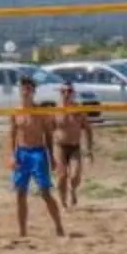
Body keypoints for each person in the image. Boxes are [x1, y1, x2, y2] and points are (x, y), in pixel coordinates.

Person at [7, 74, 67, 239]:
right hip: (22, 153)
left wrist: (52, 158)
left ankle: (59, 226)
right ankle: (22, 231)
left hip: (38, 152)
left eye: (28, 88)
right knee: (20, 193)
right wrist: (12, 156)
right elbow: (12, 135)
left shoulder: (40, 112)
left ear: (33, 91)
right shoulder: (16, 112)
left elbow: (47, 136)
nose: (25, 91)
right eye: (23, 88)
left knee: (45, 192)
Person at [51, 77, 92, 207]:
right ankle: (63, 202)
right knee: (61, 176)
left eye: (69, 91)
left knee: (75, 175)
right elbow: (48, 130)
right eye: (63, 91)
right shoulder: (55, 110)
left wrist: (89, 149)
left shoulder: (78, 110)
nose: (66, 94)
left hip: (75, 146)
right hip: (60, 146)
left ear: (73, 93)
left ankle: (72, 190)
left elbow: (88, 129)